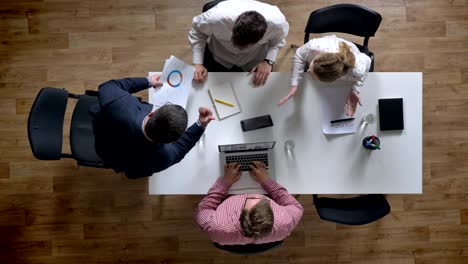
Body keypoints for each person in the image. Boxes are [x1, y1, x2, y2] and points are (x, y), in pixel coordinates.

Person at [89, 75, 215, 179]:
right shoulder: (162, 158)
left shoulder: (120, 105)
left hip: (103, 141)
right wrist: (201, 123)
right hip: (118, 161)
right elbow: (180, 149)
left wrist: (147, 81)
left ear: (152, 113)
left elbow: (107, 86)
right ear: (170, 141)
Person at [194, 161, 303, 245]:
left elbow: (203, 208)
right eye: (258, 198)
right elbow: (295, 206)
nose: (252, 194)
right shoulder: (286, 222)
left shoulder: (215, 227)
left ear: (239, 214)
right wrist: (266, 181)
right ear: (272, 214)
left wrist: (225, 181)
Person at [188, 0, 289, 86]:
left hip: (254, 60)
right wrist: (197, 63)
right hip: (219, 57)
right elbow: (197, 31)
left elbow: (278, 39)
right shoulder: (214, 18)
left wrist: (268, 61)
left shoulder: (277, 24)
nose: (240, 50)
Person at [278, 35, 372, 117]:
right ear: (317, 55)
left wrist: (355, 89)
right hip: (329, 44)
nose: (307, 70)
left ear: (333, 79)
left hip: (353, 55)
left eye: (312, 74)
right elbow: (299, 54)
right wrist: (295, 83)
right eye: (312, 64)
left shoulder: (357, 71)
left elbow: (368, 60)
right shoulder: (314, 47)